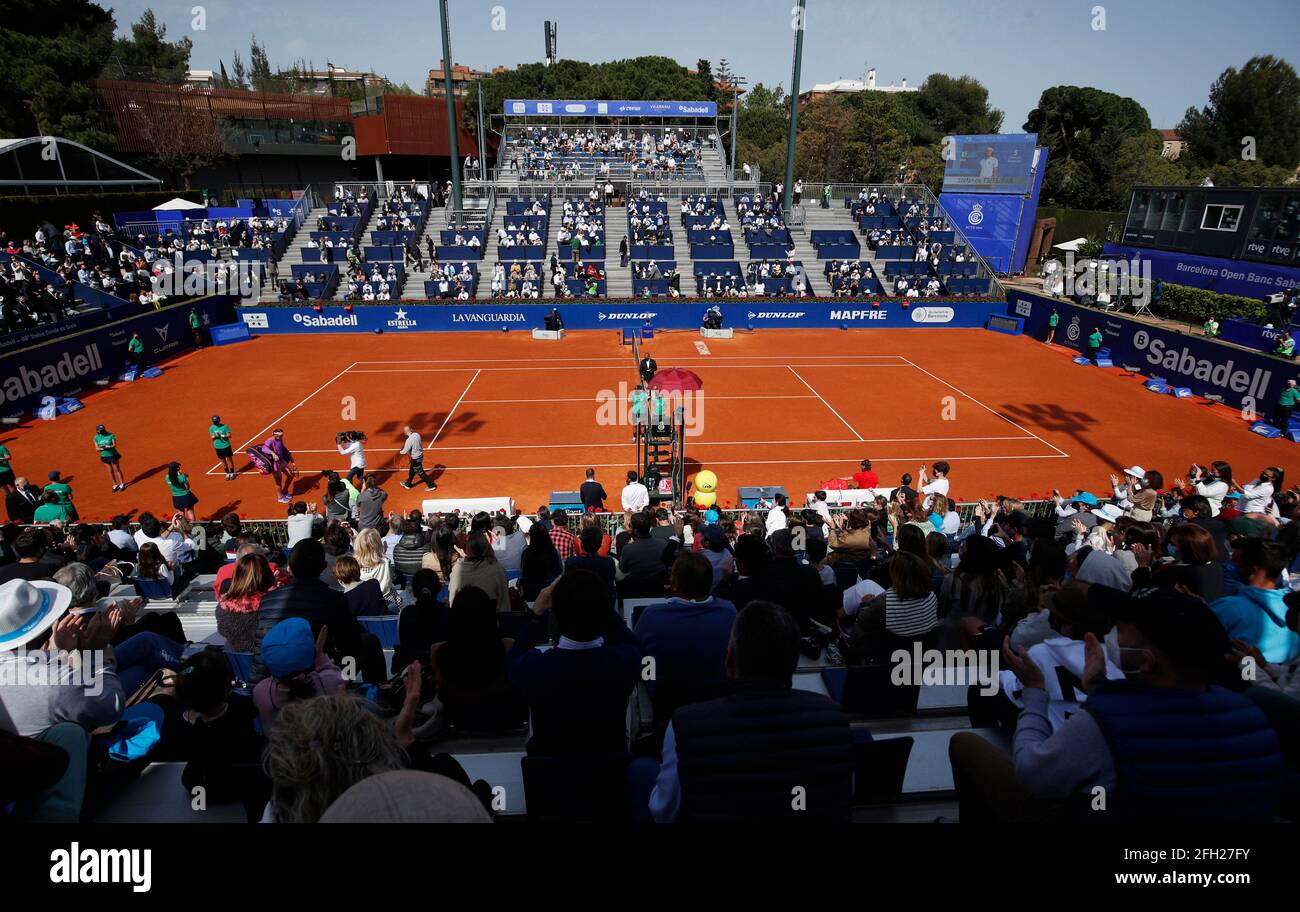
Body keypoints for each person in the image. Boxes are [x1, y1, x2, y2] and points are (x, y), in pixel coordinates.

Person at [954, 586, 1287, 823]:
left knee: (965, 745)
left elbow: (1033, 775)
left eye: (1122, 630)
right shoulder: (1253, 714)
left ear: (1146, 660)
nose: (1111, 634)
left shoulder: (1106, 723)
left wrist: (1036, 691)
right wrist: (1100, 690)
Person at [650, 600, 853, 823]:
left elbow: (663, 812)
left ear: (729, 660)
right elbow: (841, 797)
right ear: (795, 662)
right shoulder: (835, 720)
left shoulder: (683, 727)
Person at [506, 569, 642, 756]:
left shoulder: (535, 667)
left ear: (557, 616)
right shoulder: (624, 662)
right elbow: (635, 646)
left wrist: (536, 615)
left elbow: (513, 660)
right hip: (610, 775)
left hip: (551, 776)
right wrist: (600, 604)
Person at [251, 539, 382, 685]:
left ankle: (346, 681)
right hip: (314, 676)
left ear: (290, 568)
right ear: (324, 567)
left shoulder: (268, 599)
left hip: (271, 676)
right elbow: (350, 644)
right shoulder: (334, 599)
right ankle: (357, 688)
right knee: (368, 642)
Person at [633, 551, 737, 727]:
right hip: (718, 714)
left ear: (674, 584)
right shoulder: (729, 612)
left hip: (668, 714)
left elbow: (637, 657)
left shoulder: (652, 616)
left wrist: (650, 679)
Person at [253, 617, 345, 732]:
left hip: (281, 749)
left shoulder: (261, 692)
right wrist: (320, 656)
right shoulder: (326, 682)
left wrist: (271, 646)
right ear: (311, 653)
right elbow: (339, 679)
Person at [217, 549, 279, 652]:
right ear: (266, 574)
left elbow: (222, 630)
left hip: (237, 661)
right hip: (268, 658)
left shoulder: (223, 607)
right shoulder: (273, 605)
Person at [448, 532, 510, 613]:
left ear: (468, 549)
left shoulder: (458, 568)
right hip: (489, 620)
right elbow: (504, 604)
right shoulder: (497, 569)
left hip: (461, 619)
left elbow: (452, 600)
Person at [398, 425, 437, 491]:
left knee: (421, 473)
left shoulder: (408, 440)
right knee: (412, 470)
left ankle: (431, 485)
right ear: (411, 429)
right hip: (420, 456)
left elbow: (404, 451)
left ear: (405, 432)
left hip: (415, 459)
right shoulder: (417, 434)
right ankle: (408, 484)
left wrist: (400, 451)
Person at [93, 424, 126, 493]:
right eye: (101, 430)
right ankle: (114, 485)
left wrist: (107, 447)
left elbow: (114, 445)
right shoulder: (96, 438)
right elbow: (97, 448)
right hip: (104, 456)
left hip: (113, 455)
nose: (102, 431)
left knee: (117, 469)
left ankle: (122, 484)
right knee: (110, 471)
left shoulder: (111, 435)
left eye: (103, 429)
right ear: (98, 431)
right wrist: (104, 448)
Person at [210, 415, 236, 481]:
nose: (215, 422)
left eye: (216, 421)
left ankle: (232, 473)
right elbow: (212, 437)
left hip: (226, 445)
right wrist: (215, 436)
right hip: (218, 446)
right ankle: (227, 473)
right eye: (214, 421)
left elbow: (229, 435)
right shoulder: (211, 428)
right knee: (222, 460)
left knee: (229, 459)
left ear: (219, 420)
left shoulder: (225, 427)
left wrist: (223, 435)